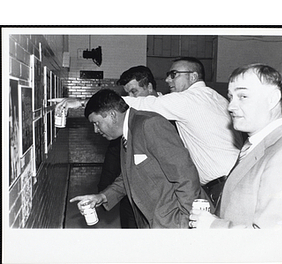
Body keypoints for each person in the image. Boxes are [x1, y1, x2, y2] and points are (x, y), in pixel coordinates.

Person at [123, 57, 243, 212]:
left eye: (174, 74)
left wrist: (103, 102)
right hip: (235, 179)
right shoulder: (217, 97)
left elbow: (143, 104)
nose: (167, 80)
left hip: (223, 186)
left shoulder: (188, 99)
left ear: (192, 76)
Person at [70, 89, 203, 228]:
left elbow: (185, 175)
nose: (96, 130)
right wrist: (102, 197)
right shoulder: (127, 133)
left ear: (112, 115)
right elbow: (128, 177)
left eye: (96, 123)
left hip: (175, 221)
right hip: (153, 221)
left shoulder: (150, 124)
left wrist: (188, 221)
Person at [189, 64, 282, 229]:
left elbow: (271, 239)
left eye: (243, 96)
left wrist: (213, 226)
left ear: (272, 98)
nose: (230, 106)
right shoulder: (257, 145)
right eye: (231, 97)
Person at [98, 65, 162, 228]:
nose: (130, 98)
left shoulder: (171, 111)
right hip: (130, 191)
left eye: (134, 92)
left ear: (149, 87)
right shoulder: (126, 116)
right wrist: (103, 193)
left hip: (160, 195)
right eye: (127, 94)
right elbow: (113, 157)